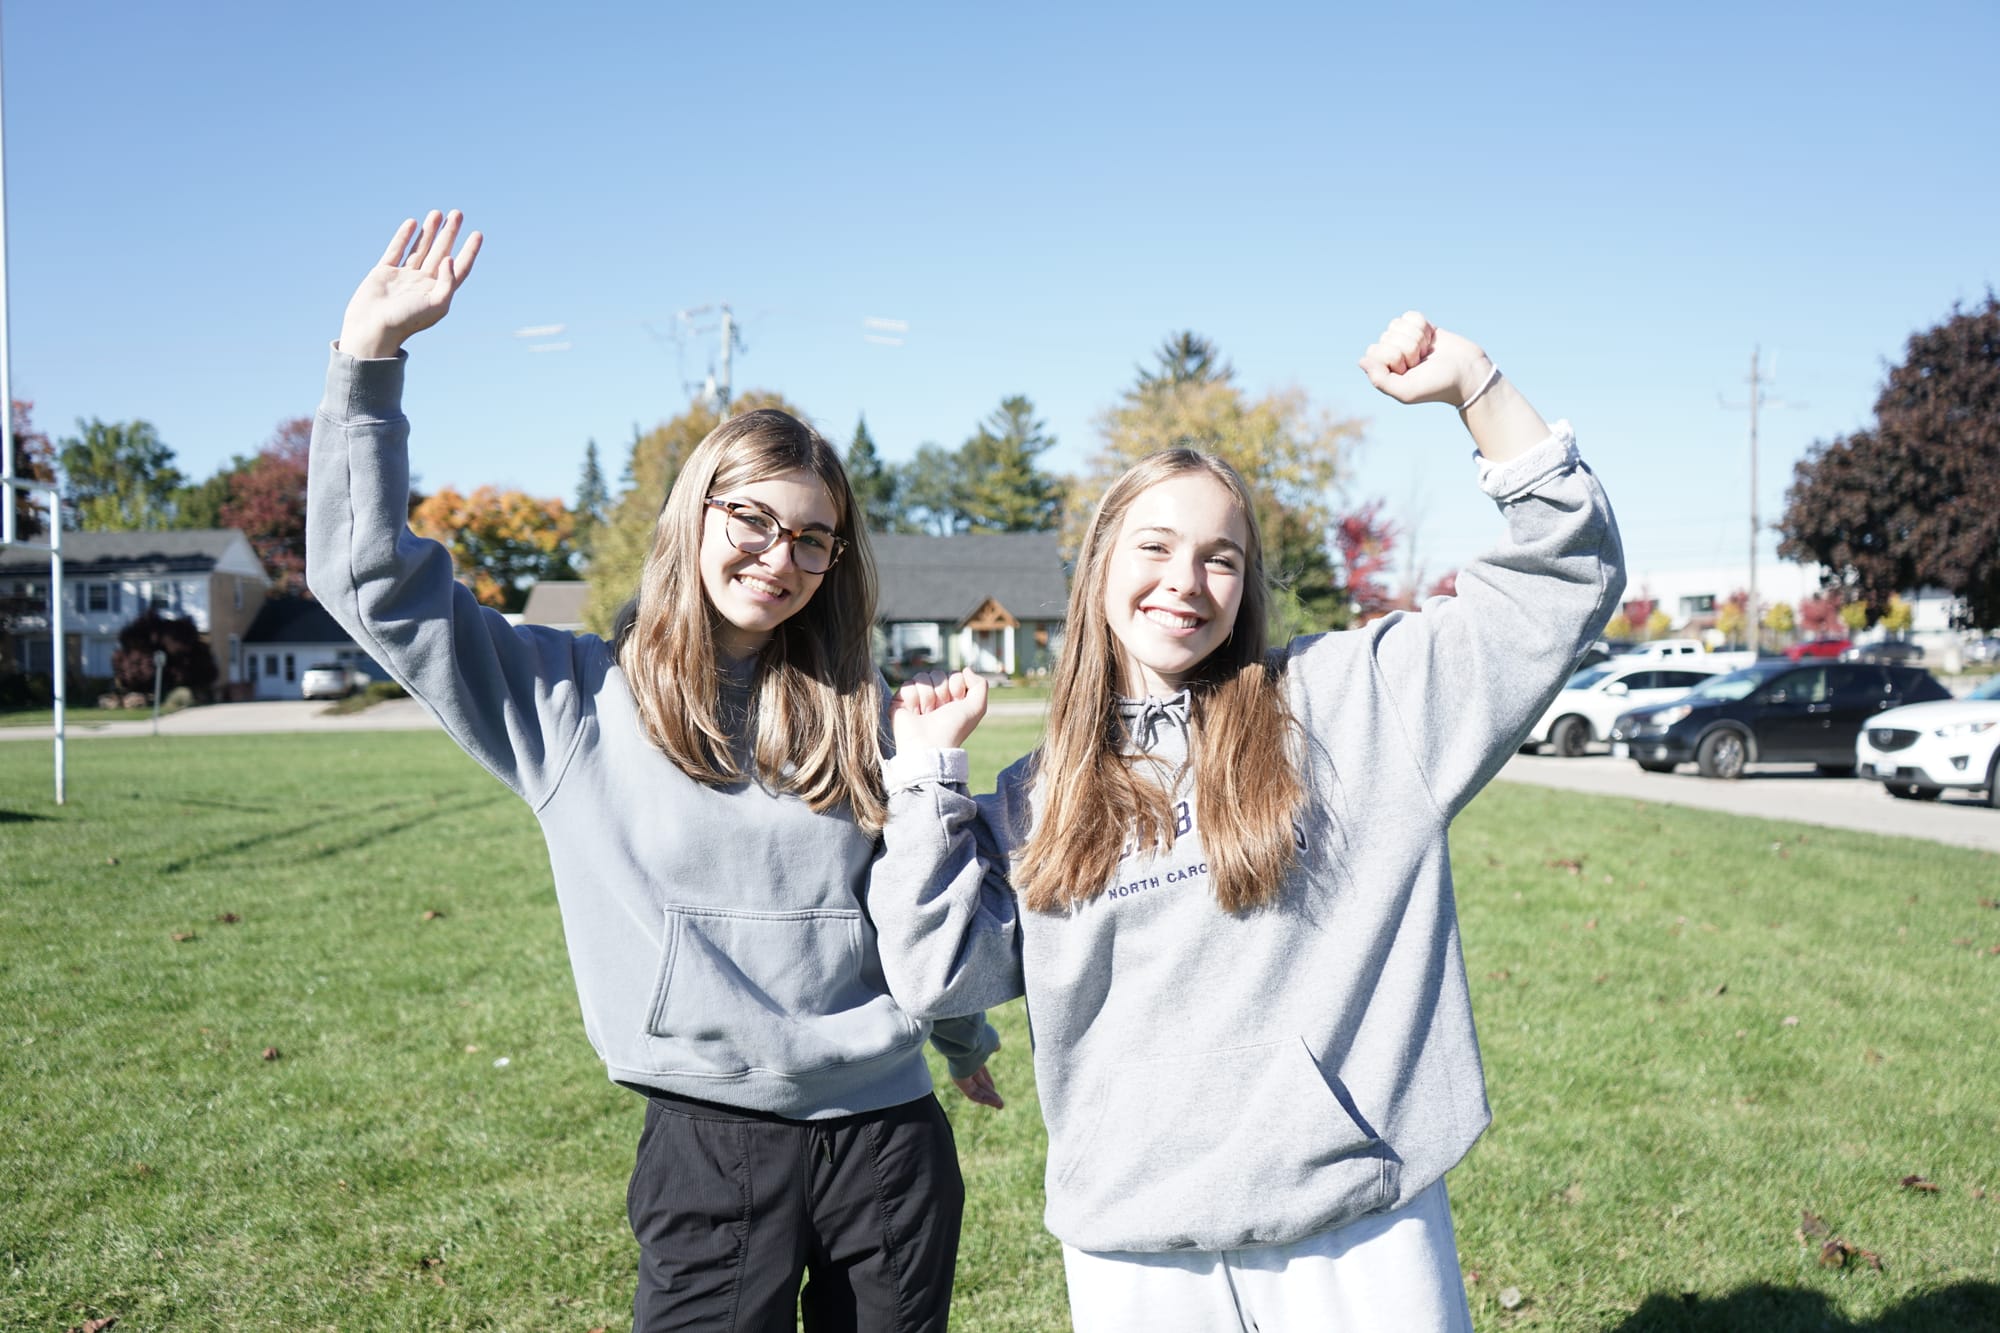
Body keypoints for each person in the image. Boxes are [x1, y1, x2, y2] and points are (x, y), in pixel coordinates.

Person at [306, 210, 1001, 1333]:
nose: (780, 559)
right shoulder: (567, 700)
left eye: (812, 539)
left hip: (887, 1139)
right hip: (708, 1142)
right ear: (695, 516)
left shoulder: (857, 712)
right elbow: (369, 581)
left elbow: (910, 900)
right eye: (753, 520)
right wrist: (369, 359)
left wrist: (964, 1038)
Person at [873, 312, 1624, 1332]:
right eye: (1154, 547)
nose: (1184, 579)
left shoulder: (1351, 705)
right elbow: (940, 975)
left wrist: (1475, 388)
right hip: (1133, 1242)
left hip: (1349, 1223)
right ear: (1095, 570)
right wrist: (926, 785)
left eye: (1219, 557)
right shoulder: (1034, 793)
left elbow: (1559, 580)